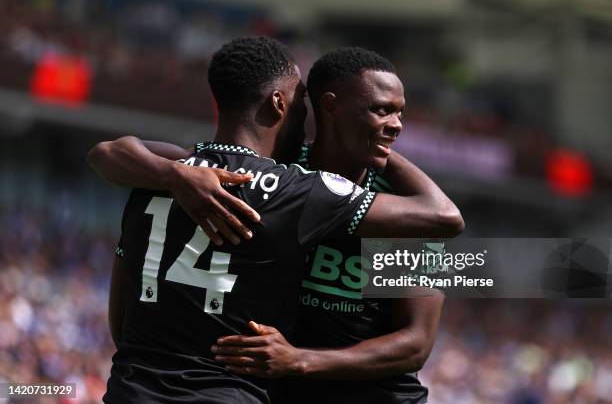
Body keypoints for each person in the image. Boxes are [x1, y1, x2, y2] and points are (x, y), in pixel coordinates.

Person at [88, 37, 463, 404]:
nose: (397, 125)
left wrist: (301, 359)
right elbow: (110, 152)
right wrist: (171, 174)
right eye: (382, 110)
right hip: (273, 390)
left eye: (401, 113)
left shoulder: (402, 215)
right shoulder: (282, 181)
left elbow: (416, 344)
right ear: (330, 107)